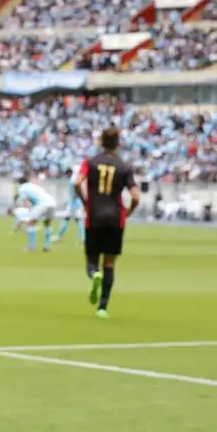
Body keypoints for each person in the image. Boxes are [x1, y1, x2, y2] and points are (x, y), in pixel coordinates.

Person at [73, 127, 141, 319]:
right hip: (115, 218)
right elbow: (136, 196)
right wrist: (128, 212)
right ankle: (102, 308)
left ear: (101, 142)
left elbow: (77, 182)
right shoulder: (124, 167)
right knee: (109, 263)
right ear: (118, 143)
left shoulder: (90, 162)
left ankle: (94, 273)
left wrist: (85, 201)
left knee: (92, 259)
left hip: (94, 215)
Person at [12, 173, 57, 252]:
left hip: (41, 204)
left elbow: (26, 202)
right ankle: (47, 246)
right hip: (52, 202)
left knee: (31, 223)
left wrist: (29, 214)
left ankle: (31, 247)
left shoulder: (22, 188)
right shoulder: (33, 185)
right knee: (47, 224)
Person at [54, 166, 86, 245]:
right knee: (77, 220)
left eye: (66, 173)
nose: (66, 175)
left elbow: (76, 192)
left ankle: (59, 236)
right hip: (76, 203)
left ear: (69, 173)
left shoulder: (72, 180)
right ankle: (82, 238)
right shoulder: (74, 178)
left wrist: (72, 204)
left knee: (68, 219)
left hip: (73, 204)